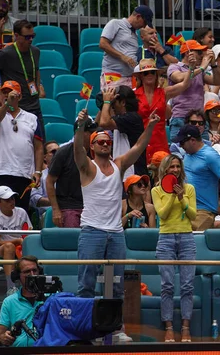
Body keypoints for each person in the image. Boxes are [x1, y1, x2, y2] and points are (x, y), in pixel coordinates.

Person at [73, 108, 159, 325]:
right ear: (91, 146)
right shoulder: (87, 167)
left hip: (115, 233)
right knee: (87, 283)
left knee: (115, 285)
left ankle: (113, 328)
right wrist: (80, 125)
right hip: (92, 230)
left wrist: (150, 126)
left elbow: (139, 147)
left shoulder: (118, 165)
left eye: (107, 142)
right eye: (100, 141)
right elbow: (77, 152)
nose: (104, 144)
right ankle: (85, 329)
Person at [151, 154, 197, 343]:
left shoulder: (189, 189)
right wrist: (172, 196)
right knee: (167, 285)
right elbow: (162, 213)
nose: (175, 170)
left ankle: (185, 328)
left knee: (187, 285)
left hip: (186, 237)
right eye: (172, 167)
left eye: (178, 167)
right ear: (165, 170)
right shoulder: (156, 190)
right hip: (166, 238)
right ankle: (169, 328)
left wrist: (182, 199)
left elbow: (193, 216)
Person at [0, 80, 43, 212]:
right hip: (1, 171)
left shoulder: (32, 118)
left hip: (24, 173)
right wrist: (6, 105)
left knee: (21, 211)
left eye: (11, 92)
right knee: (0, 214)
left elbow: (39, 147)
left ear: (20, 96)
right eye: (4, 92)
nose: (7, 94)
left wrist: (38, 171)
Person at [134, 58, 192, 161]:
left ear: (156, 75)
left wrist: (191, 68)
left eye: (152, 72)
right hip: (140, 141)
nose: (150, 75)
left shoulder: (164, 92)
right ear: (141, 76)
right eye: (146, 73)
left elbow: (184, 85)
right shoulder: (133, 96)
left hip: (159, 141)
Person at [46, 117, 99, 228]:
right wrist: (55, 210)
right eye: (90, 132)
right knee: (73, 240)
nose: (94, 135)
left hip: (92, 207)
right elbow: (50, 181)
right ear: (81, 133)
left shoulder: (96, 153)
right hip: (69, 206)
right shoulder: (63, 152)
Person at [175, 124, 220, 231]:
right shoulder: (188, 154)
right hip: (186, 207)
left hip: (203, 211)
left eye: (182, 142)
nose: (180, 146)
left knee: (195, 244)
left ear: (192, 140)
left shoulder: (209, 155)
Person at [0, 20, 45, 133]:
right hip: (14, 109)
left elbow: (36, 71)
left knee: (39, 145)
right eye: (27, 37)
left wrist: (37, 86)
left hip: (35, 107)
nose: (31, 40)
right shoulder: (5, 54)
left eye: (33, 36)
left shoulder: (35, 51)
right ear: (17, 36)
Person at [167, 40, 220, 140]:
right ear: (188, 53)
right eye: (199, 52)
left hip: (199, 119)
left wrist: (213, 65)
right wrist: (201, 68)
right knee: (178, 152)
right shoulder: (174, 67)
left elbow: (217, 81)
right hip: (181, 117)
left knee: (203, 152)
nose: (202, 55)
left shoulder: (199, 70)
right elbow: (179, 78)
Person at [97, 85, 147, 179]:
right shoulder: (119, 119)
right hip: (123, 175)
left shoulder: (132, 117)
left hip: (134, 176)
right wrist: (104, 104)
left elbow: (104, 123)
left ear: (123, 102)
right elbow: (98, 125)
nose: (112, 106)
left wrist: (107, 102)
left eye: (114, 102)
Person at [99, 6, 153, 90]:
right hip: (113, 75)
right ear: (138, 16)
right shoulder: (115, 23)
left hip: (129, 78)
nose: (144, 26)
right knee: (113, 101)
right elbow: (102, 44)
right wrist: (123, 56)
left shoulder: (135, 34)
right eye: (144, 22)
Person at [0, 255, 43, 347]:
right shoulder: (9, 301)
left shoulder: (52, 298)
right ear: (17, 276)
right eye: (27, 272)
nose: (32, 275)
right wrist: (3, 338)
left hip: (49, 351)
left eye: (35, 270)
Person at [0, 186, 33, 295]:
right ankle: (11, 287)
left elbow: (28, 233)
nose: (12, 202)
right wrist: (16, 241)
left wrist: (23, 243)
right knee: (9, 247)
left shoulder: (21, 212)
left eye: (12, 198)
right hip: (1, 248)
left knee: (30, 244)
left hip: (21, 245)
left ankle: (31, 285)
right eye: (7, 200)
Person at [29, 140, 59, 219]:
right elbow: (34, 199)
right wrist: (55, 202)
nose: (57, 154)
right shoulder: (39, 177)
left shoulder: (69, 175)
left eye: (59, 151)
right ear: (44, 157)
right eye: (53, 152)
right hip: (47, 215)